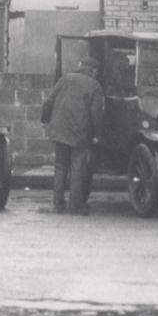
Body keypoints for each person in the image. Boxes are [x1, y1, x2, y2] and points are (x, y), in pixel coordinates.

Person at [41, 56, 104, 215]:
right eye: (96, 70)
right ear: (92, 70)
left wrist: (45, 119)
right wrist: (97, 134)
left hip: (60, 129)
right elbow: (96, 113)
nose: (96, 73)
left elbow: (49, 101)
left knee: (60, 166)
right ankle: (76, 205)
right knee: (78, 167)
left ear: (80, 66)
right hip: (80, 132)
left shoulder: (65, 79)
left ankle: (58, 202)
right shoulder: (94, 86)